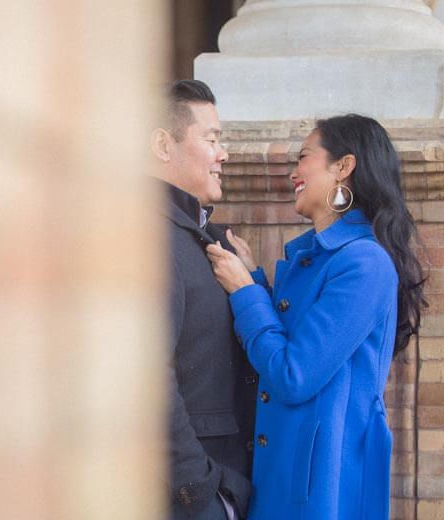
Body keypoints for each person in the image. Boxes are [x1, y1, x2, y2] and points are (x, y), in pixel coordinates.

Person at [206, 114, 426, 520]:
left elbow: (295, 374)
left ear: (343, 166)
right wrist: (253, 279)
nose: (294, 172)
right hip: (290, 473)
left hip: (324, 486)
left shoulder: (364, 263)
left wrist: (246, 292)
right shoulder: (323, 257)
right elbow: (295, 341)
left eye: (305, 157)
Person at [151, 80, 257, 520]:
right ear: (162, 144)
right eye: (211, 140)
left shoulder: (204, 235)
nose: (223, 154)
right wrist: (203, 495)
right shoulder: (146, 235)